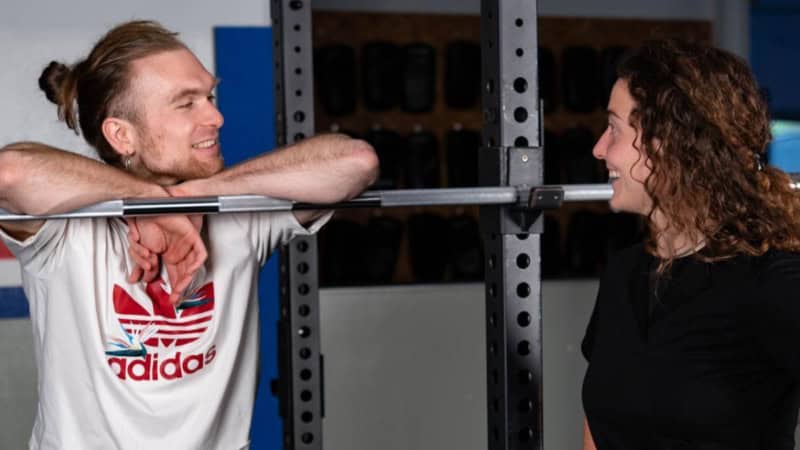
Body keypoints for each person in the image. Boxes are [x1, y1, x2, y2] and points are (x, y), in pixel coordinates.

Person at [0, 20, 378, 449]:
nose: (215, 116)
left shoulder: (240, 216)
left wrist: (192, 196)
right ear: (122, 135)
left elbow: (355, 162)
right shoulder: (64, 233)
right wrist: (149, 200)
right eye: (187, 104)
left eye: (209, 97)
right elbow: (9, 172)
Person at [582, 38, 800, 449]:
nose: (599, 149)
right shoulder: (624, 273)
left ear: (670, 143)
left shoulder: (771, 279)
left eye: (614, 129)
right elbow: (598, 428)